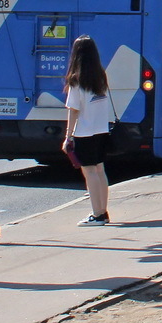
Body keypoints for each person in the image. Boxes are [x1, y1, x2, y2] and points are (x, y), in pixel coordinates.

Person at [62, 35, 114, 226]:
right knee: (100, 170)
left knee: (89, 172)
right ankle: (103, 211)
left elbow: (73, 111)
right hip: (102, 130)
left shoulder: (76, 80)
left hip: (84, 132)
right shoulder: (101, 76)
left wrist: (68, 137)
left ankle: (97, 214)